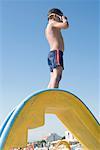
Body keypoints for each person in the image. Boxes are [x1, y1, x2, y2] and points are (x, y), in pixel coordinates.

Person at [45, 8, 69, 88]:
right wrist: (64, 20)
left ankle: (48, 94)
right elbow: (66, 26)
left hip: (52, 54)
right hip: (56, 52)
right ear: (54, 16)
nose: (60, 19)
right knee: (57, 76)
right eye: (60, 17)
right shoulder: (52, 23)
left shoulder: (50, 27)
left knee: (53, 77)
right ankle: (53, 94)